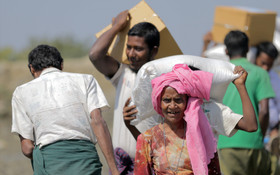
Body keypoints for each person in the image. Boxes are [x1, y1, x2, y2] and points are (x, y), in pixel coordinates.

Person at [11, 45, 119, 174]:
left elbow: (27, 148)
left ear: (32, 68)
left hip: (49, 163)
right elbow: (98, 122)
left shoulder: (21, 92)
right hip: (85, 162)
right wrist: (114, 169)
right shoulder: (86, 80)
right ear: (61, 65)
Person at [134, 64, 257, 174]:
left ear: (188, 101)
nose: (172, 106)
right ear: (159, 103)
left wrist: (240, 86)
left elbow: (250, 126)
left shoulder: (204, 132)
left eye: (178, 100)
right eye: (166, 100)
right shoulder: (148, 139)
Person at [89, 10, 161, 173]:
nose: (131, 54)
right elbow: (95, 55)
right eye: (128, 47)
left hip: (150, 164)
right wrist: (117, 27)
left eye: (138, 49)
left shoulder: (162, 81)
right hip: (120, 165)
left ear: (154, 51)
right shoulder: (123, 73)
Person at [216, 30, 280, 175]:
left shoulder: (218, 73)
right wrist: (259, 137)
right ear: (247, 49)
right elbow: (264, 111)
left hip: (226, 144)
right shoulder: (260, 73)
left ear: (226, 50)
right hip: (254, 143)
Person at [255, 42, 280, 158]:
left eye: (269, 65)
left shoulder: (275, 79)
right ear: (255, 57)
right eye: (263, 63)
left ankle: (275, 143)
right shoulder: (248, 75)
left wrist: (274, 129)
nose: (265, 68)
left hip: (270, 128)